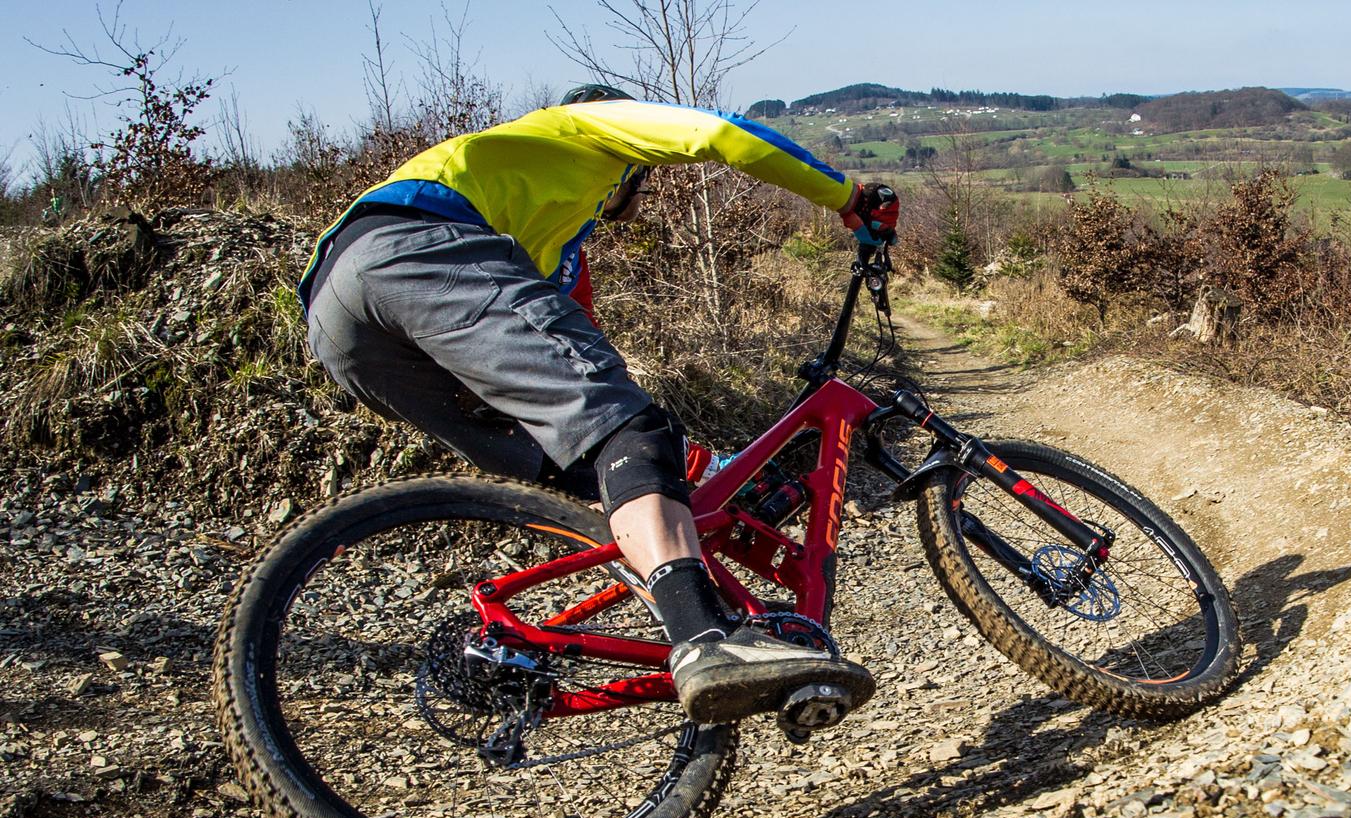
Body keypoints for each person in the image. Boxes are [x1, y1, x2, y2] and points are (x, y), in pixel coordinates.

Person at [298, 84, 900, 728]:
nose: (634, 196)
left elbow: (586, 380)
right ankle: (704, 639)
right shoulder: (583, 125)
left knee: (593, 458)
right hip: (415, 247)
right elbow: (725, 137)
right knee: (629, 429)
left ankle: (509, 657)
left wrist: (681, 462)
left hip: (340, 318)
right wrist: (849, 198)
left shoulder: (555, 245)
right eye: (638, 182)